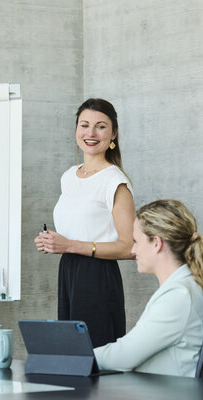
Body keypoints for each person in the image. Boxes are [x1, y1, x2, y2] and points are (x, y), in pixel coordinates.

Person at [34, 98, 135, 347]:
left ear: (113, 134)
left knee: (95, 354)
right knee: (73, 354)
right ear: (76, 129)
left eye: (100, 126)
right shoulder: (69, 176)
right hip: (68, 272)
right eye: (84, 125)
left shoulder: (115, 182)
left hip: (98, 277)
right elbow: (79, 228)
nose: (91, 133)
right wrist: (52, 242)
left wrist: (69, 245)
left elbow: (129, 247)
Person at [94, 199, 203, 376]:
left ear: (156, 243)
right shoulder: (188, 286)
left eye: (136, 241)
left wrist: (74, 356)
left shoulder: (179, 296)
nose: (133, 250)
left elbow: (123, 356)